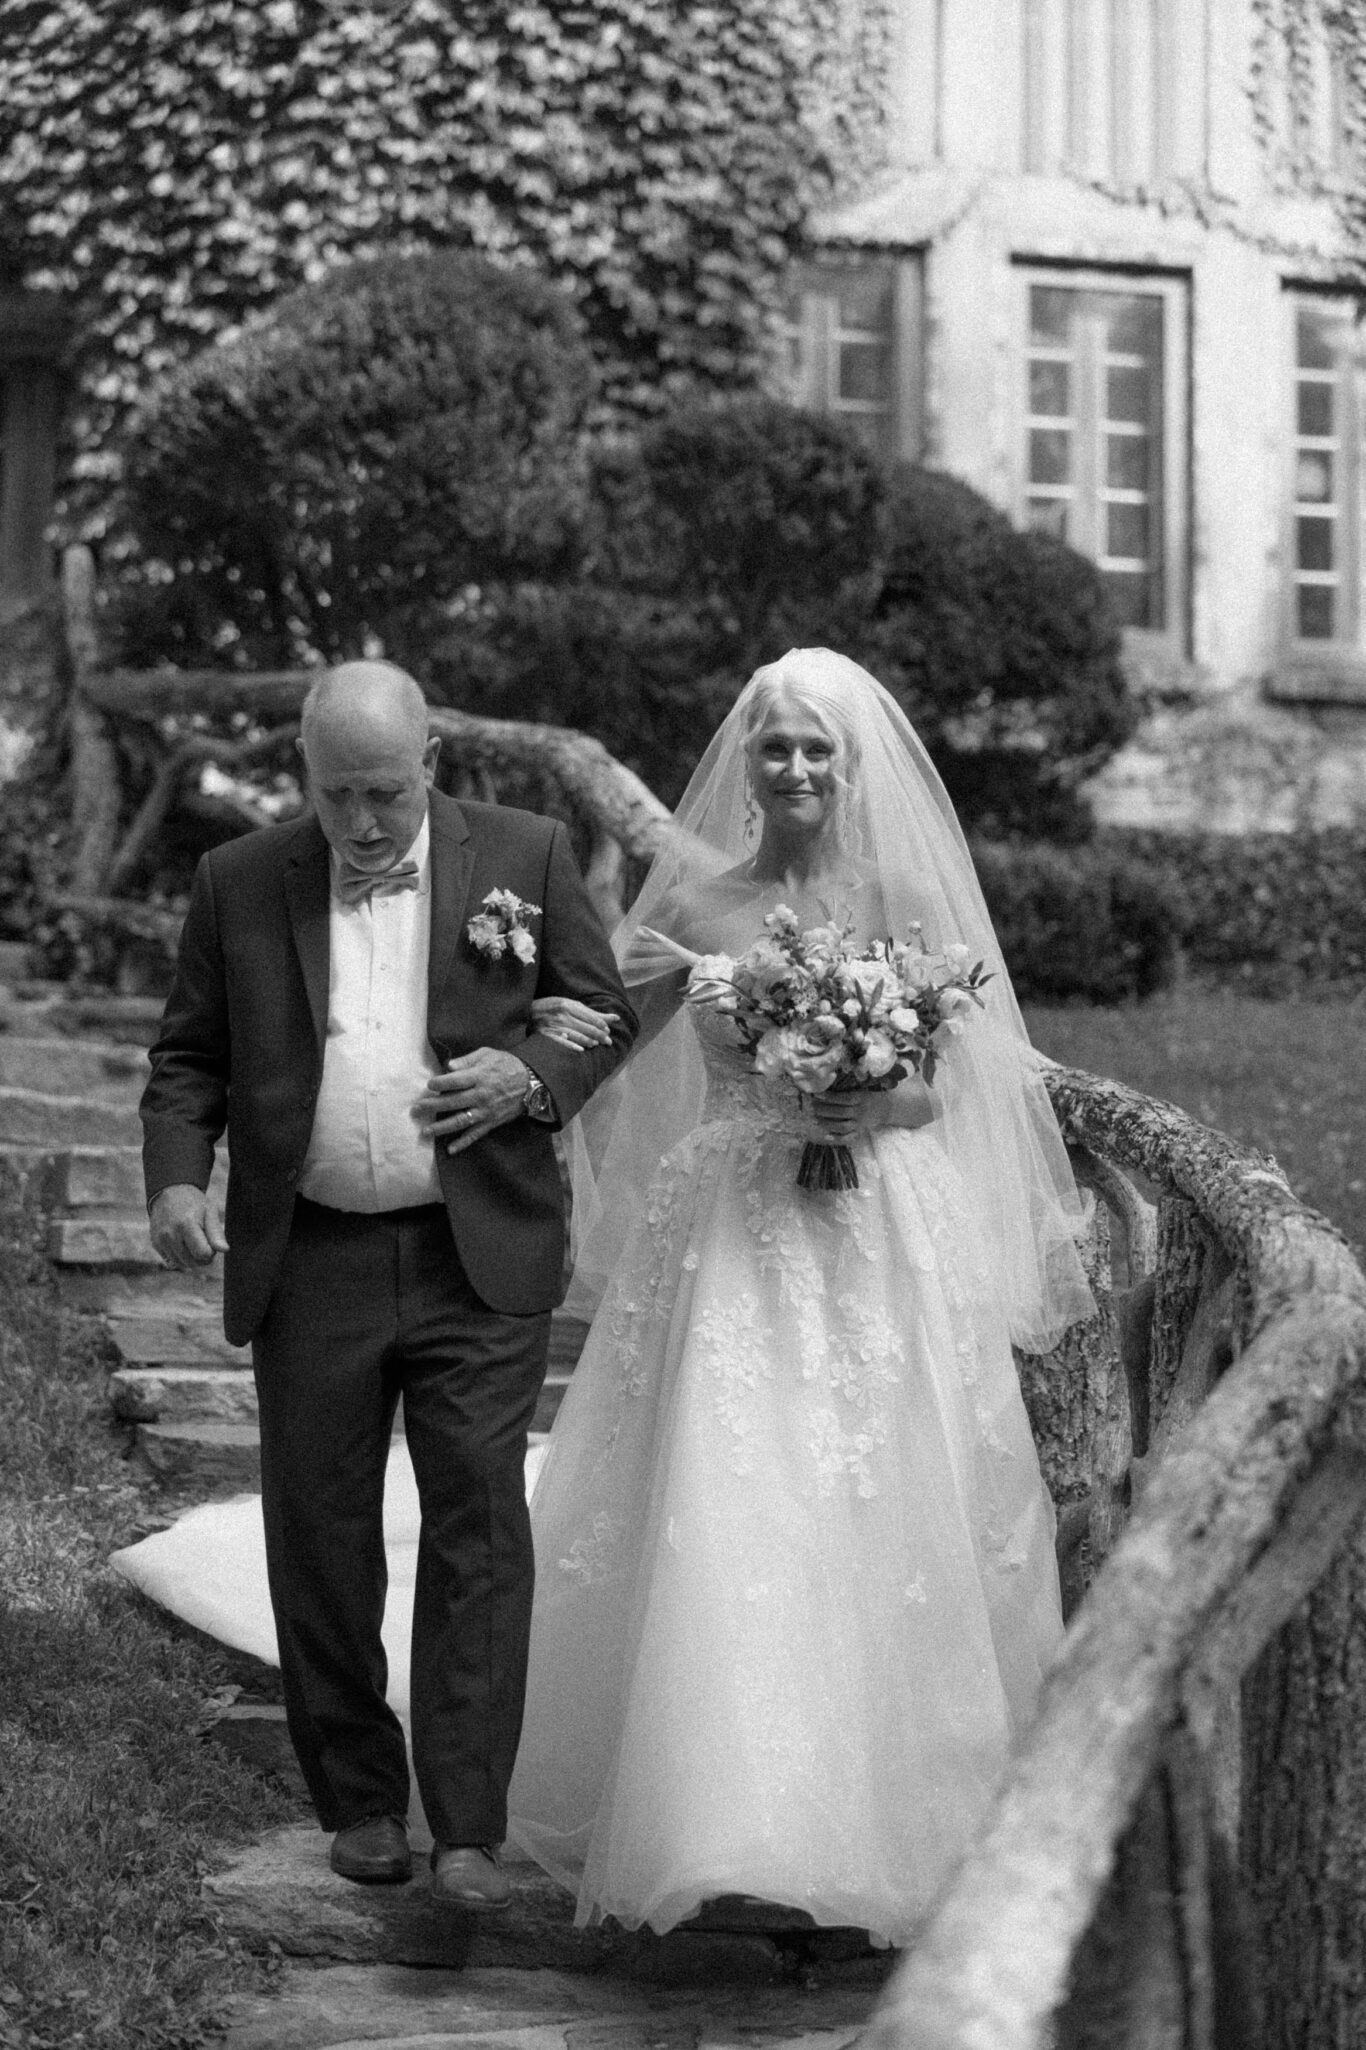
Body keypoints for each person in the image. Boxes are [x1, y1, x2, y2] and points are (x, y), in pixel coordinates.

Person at [504, 648, 1095, 1945]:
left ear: (853, 761)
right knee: (732, 1499)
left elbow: (949, 1079)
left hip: (877, 1234)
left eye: (818, 747)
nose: (795, 769)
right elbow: (605, 1037)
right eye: (774, 745)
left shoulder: (898, 894)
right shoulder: (702, 902)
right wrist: (511, 1086)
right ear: (746, 759)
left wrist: (873, 1093)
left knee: (882, 1499)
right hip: (728, 1235)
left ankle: (894, 1801)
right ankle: (723, 1817)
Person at [140, 661, 636, 1909]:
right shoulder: (238, 880)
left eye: (385, 790)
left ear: (430, 763)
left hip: (479, 1251)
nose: (362, 821)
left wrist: (529, 1079)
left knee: (477, 1530)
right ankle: (360, 1801)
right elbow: (187, 1058)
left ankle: (465, 1824)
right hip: (312, 1255)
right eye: (336, 793)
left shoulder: (523, 850)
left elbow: (600, 1009)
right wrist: (176, 1184)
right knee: (320, 1533)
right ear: (305, 776)